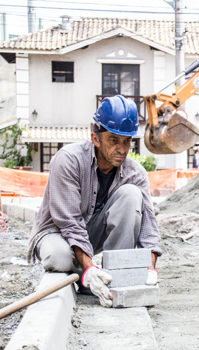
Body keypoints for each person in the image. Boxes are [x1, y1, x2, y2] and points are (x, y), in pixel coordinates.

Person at [27, 95, 162, 307]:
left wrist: (150, 267)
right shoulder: (69, 160)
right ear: (96, 138)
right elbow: (69, 222)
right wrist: (88, 269)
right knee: (59, 258)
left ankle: (115, 278)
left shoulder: (134, 173)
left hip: (90, 233)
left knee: (131, 195)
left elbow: (149, 227)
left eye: (127, 141)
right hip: (57, 232)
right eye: (114, 140)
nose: (122, 149)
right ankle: (88, 274)